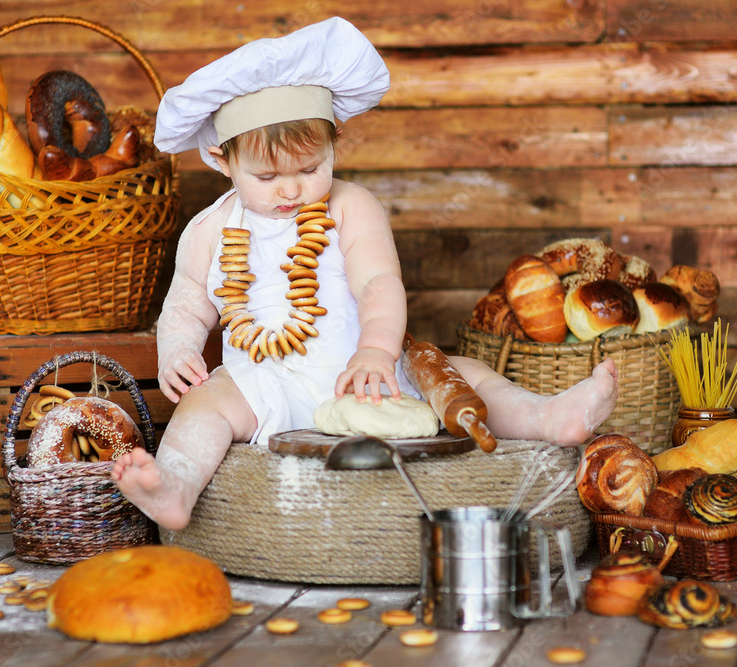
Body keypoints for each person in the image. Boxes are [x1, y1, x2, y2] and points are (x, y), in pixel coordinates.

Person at [111, 17, 618, 530]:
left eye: (310, 169)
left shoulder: (352, 206)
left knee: (466, 376)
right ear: (223, 161)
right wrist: (176, 350)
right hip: (264, 381)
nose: (290, 191)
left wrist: (377, 350)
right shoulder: (209, 230)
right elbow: (187, 300)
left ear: (335, 145)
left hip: (368, 373)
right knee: (203, 405)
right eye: (266, 177)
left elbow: (377, 283)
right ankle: (175, 485)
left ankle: (550, 417)